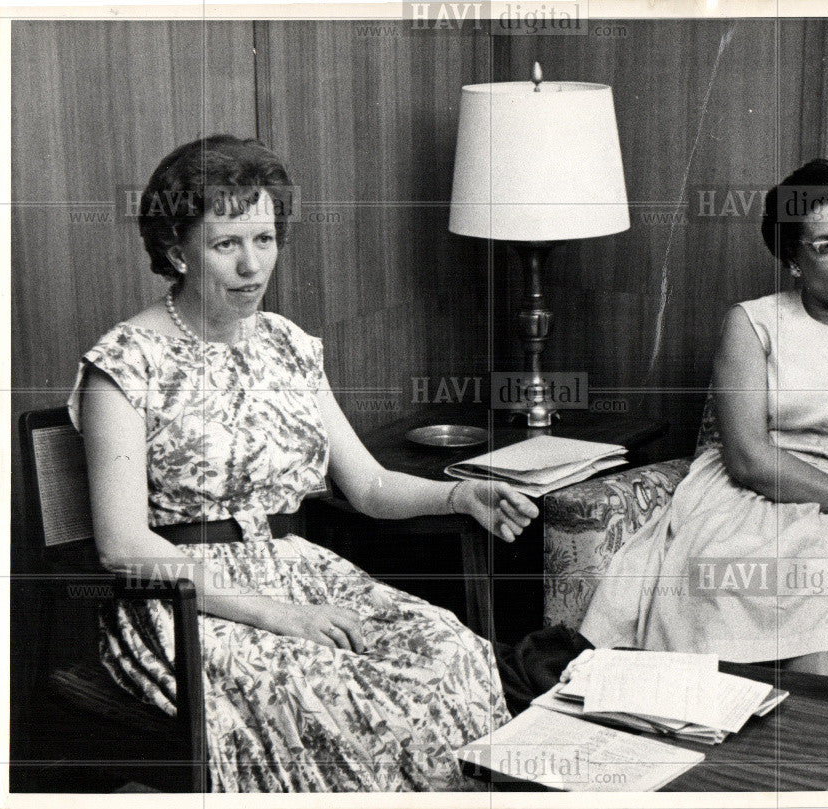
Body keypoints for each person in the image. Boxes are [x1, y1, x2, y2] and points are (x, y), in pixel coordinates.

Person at [67, 135, 538, 791]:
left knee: (452, 652)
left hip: (303, 575)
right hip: (185, 604)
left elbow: (369, 485)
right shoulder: (124, 365)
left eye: (263, 239)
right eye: (226, 244)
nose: (251, 265)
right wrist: (275, 614)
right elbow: (122, 546)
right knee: (342, 692)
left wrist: (459, 498)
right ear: (177, 250)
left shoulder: (288, 345)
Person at [578, 159, 828, 678]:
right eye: (825, 246)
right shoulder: (751, 324)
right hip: (744, 504)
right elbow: (749, 458)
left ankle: (807, 749)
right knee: (734, 583)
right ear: (794, 261)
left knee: (824, 597)